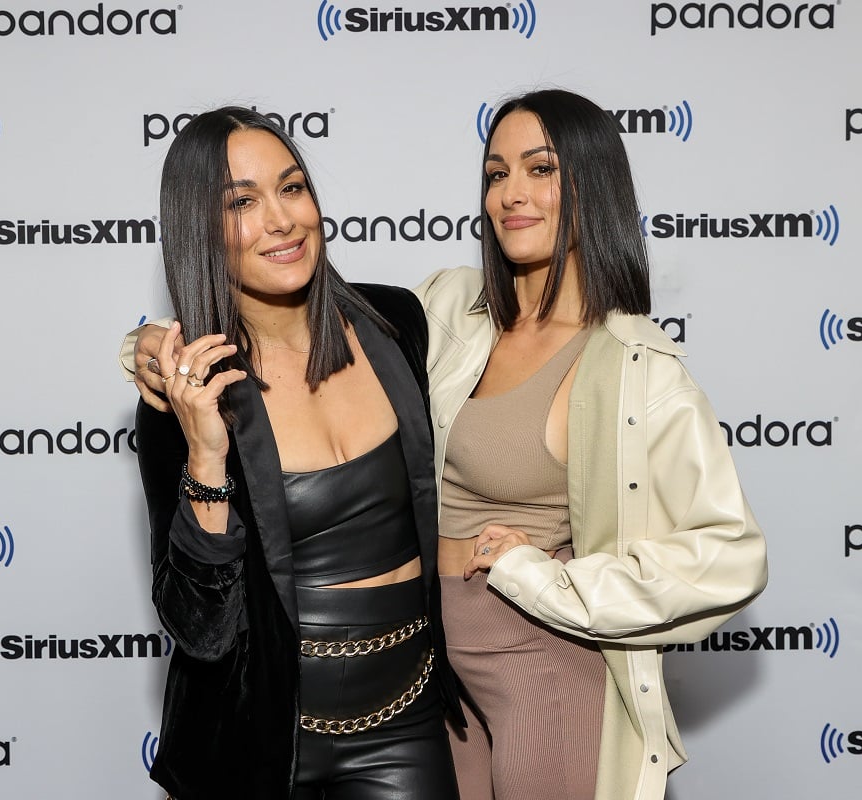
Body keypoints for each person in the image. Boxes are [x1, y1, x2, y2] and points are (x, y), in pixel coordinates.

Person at [127, 90, 767, 800]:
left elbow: (725, 555)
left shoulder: (612, 367)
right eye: (496, 174)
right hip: (318, 728)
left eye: (293, 188)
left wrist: (545, 576)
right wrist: (156, 355)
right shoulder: (447, 316)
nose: (512, 195)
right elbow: (201, 628)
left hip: (460, 700)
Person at [132, 106, 461, 800]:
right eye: (242, 202)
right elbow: (200, 630)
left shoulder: (394, 322)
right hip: (258, 748)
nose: (281, 220)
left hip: (405, 721)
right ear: (200, 229)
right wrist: (206, 460)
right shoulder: (185, 394)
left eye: (293, 187)